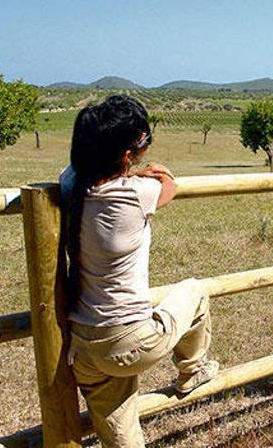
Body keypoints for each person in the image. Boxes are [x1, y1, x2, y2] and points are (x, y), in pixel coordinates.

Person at [59, 95, 218, 448]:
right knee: (195, 290)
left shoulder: (72, 186)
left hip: (84, 346)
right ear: (128, 155)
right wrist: (147, 172)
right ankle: (191, 371)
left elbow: (73, 171)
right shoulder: (134, 194)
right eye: (145, 144)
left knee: (123, 437)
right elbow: (168, 184)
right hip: (130, 341)